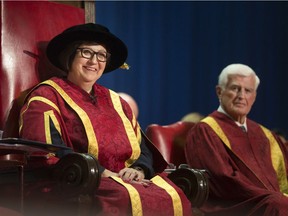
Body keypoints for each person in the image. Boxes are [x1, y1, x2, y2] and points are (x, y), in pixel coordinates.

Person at [18, 23, 192, 216]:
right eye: (86, 52)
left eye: (101, 55)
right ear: (69, 55)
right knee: (122, 198)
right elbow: (46, 150)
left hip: (124, 180)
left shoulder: (117, 102)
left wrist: (139, 170)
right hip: (79, 180)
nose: (94, 61)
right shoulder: (47, 97)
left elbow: (142, 147)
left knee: (175, 194)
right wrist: (102, 172)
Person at [185, 63, 288, 216]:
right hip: (233, 207)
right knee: (279, 204)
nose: (241, 95)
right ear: (219, 91)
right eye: (235, 88)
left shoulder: (266, 135)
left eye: (248, 90)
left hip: (273, 203)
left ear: (254, 97)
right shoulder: (205, 131)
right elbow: (223, 181)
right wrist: (274, 198)